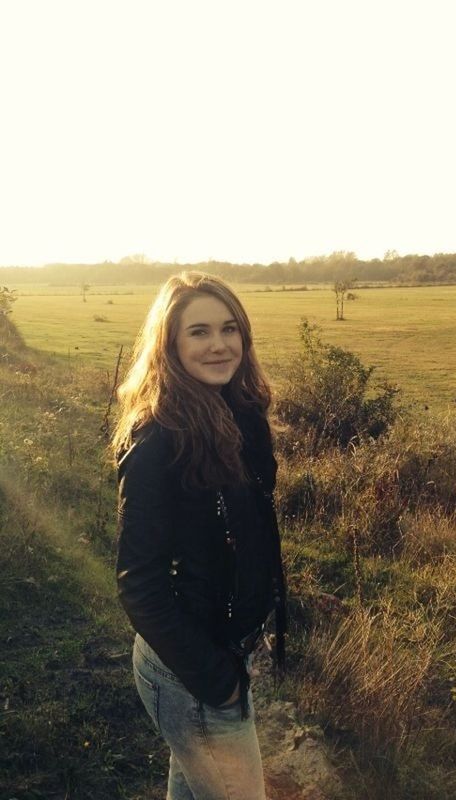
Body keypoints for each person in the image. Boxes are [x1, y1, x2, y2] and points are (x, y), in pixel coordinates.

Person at [112, 272, 287, 800]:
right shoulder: (157, 437)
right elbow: (139, 584)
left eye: (229, 329)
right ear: (169, 344)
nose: (218, 345)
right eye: (199, 332)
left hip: (222, 652)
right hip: (188, 669)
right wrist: (215, 679)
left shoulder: (239, 414)